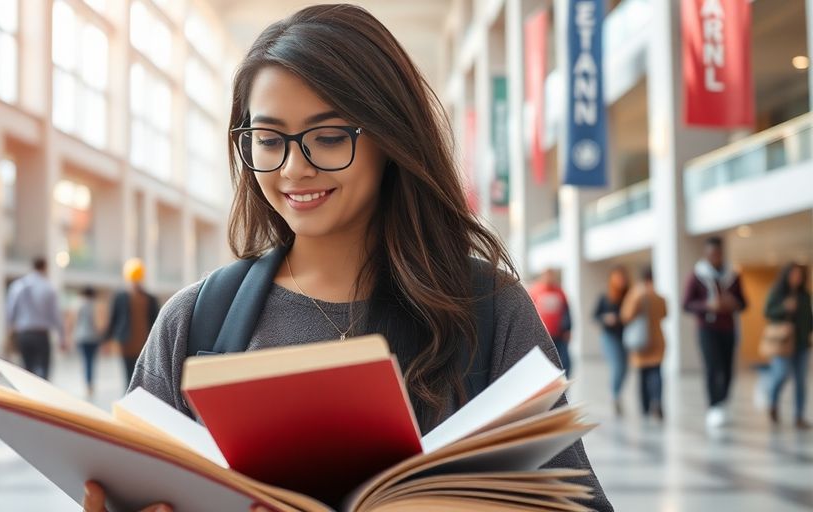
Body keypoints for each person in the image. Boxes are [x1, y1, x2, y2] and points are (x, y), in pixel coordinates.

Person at [83, 5, 610, 511]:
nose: (293, 168)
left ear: (391, 137)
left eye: (329, 137)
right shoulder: (196, 321)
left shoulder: (485, 310)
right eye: (268, 140)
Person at [684, 236, 746, 429]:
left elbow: (744, 303)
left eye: (717, 254)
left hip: (728, 328)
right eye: (711, 254)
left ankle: (723, 401)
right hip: (707, 330)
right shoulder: (697, 275)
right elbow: (686, 304)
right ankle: (714, 405)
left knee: (728, 369)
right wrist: (707, 305)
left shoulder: (733, 275)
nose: (714, 257)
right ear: (706, 254)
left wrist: (732, 303)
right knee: (713, 367)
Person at [764, 263, 811, 429]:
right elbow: (767, 312)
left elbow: (808, 318)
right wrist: (784, 307)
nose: (797, 277)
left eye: (800, 274)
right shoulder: (778, 292)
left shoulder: (804, 295)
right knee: (781, 374)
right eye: (794, 274)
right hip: (783, 342)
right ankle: (773, 402)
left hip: (802, 344)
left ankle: (799, 416)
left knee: (801, 381)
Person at [6, 257, 67, 380]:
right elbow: (55, 315)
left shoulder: (18, 286)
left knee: (27, 371)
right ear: (45, 267)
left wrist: (9, 329)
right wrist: (62, 336)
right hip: (41, 335)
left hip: (23, 333)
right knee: (44, 371)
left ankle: (28, 397)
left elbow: (10, 311)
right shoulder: (48, 287)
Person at [103, 259, 159, 390]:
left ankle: (138, 396)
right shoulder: (120, 297)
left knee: (143, 375)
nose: (135, 283)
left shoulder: (150, 299)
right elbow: (113, 319)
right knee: (128, 375)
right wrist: (106, 340)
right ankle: (130, 397)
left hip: (145, 344)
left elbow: (156, 321)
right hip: (126, 343)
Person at [621, 267, 667, 420]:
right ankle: (658, 401)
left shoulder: (637, 295)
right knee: (656, 372)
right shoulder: (659, 296)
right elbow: (665, 313)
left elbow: (625, 315)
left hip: (641, 341)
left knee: (642, 375)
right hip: (657, 339)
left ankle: (645, 407)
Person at [594, 266, 629, 416]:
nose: (620, 281)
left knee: (625, 368)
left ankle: (617, 393)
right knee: (617, 364)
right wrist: (606, 318)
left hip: (625, 336)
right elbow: (595, 316)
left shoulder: (628, 296)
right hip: (609, 336)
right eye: (617, 278)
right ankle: (615, 395)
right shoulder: (605, 297)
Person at [529, 268, 573, 377]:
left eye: (551, 275)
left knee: (565, 362)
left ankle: (562, 387)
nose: (549, 278)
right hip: (542, 336)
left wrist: (568, 329)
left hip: (559, 335)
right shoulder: (535, 291)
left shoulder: (559, 291)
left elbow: (566, 311)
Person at [68, 286, 105, 398]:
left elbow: (73, 320)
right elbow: (99, 322)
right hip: (93, 337)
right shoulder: (96, 305)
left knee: (85, 360)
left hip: (81, 336)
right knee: (91, 361)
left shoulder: (77, 304)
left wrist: (70, 335)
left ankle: (87, 383)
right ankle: (90, 383)